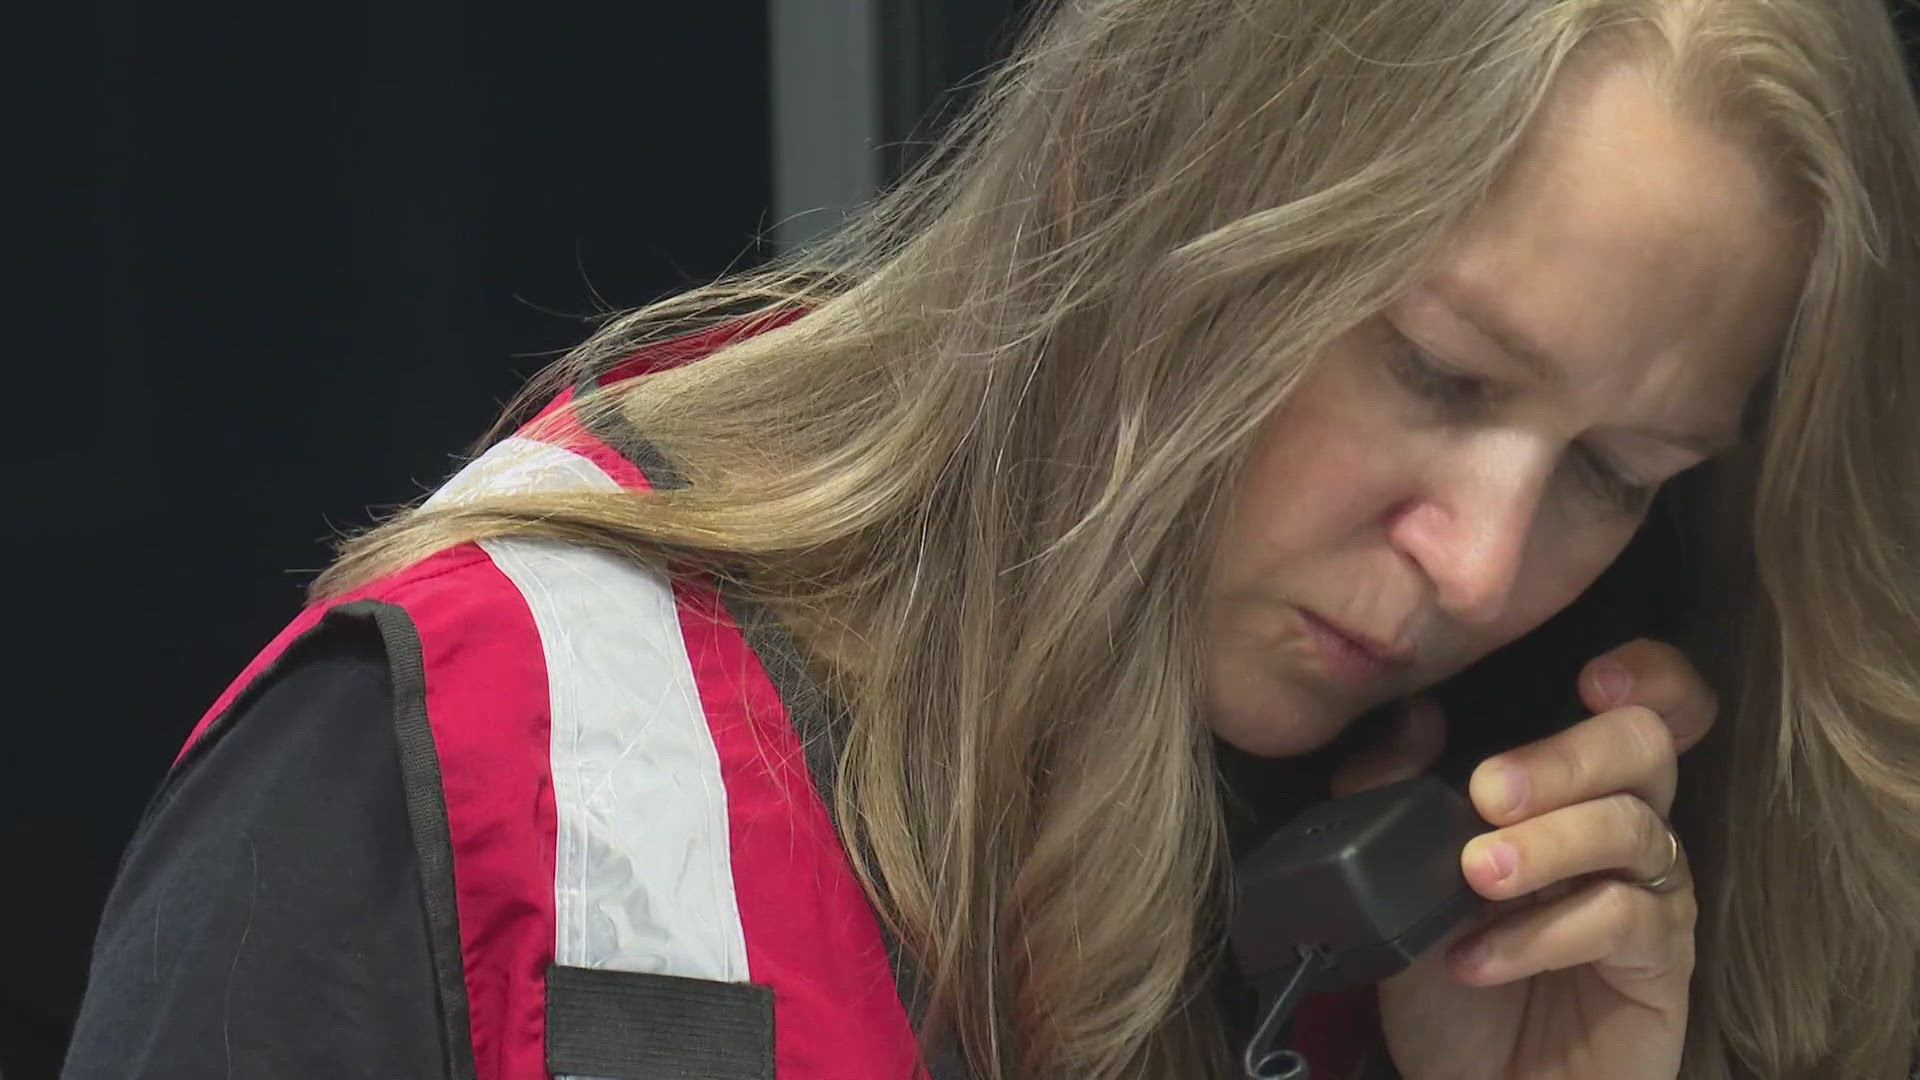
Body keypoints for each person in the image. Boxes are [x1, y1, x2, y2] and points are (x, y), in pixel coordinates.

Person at [60, 0, 1920, 1076]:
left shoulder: (1432, 945)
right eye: (1433, 371)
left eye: (1618, 474)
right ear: (1126, 186)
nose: (1487, 566)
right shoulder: (474, 768)